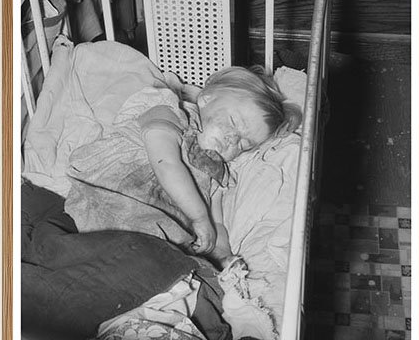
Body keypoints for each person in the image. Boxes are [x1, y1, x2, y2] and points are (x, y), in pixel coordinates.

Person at [64, 66, 293, 265]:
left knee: (178, 263)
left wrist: (222, 254)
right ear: (206, 99)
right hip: (110, 189)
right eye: (234, 122)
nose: (233, 139)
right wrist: (199, 217)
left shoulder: (217, 170)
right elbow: (166, 163)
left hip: (149, 228)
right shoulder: (169, 110)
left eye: (244, 143)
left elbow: (218, 221)